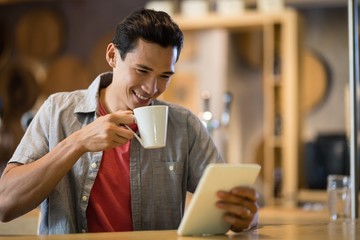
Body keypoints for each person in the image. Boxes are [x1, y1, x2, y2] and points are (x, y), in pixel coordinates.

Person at [0, 8, 258, 234]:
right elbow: (5, 204)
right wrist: (78, 143)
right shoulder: (57, 111)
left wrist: (244, 216)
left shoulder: (184, 126)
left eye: (164, 76)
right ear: (112, 55)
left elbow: (228, 206)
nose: (151, 88)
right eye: (142, 70)